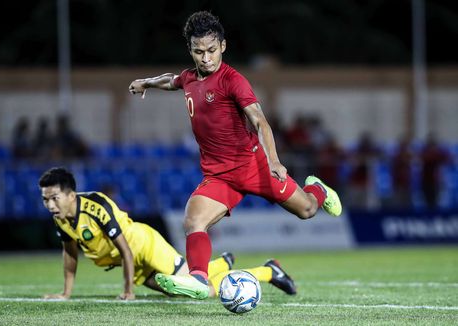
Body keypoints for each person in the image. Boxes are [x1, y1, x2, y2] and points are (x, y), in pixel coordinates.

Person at [129, 11, 342, 300]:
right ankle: (198, 280)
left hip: (254, 166)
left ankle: (316, 188)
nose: (206, 58)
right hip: (219, 176)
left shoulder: (233, 80)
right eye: (199, 52)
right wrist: (146, 82)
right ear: (191, 51)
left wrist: (274, 160)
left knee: (307, 210)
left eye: (212, 51)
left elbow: (259, 121)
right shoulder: (190, 78)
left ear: (223, 47)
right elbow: (172, 80)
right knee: (193, 221)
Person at [39, 167, 296, 300]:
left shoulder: (95, 206)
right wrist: (66, 292)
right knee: (176, 291)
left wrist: (128, 290)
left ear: (71, 195)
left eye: (54, 198)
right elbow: (70, 255)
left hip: (143, 246)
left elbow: (125, 248)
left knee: (199, 291)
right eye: (45, 199)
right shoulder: (61, 218)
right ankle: (221, 264)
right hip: (128, 260)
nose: (50, 205)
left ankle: (268, 271)